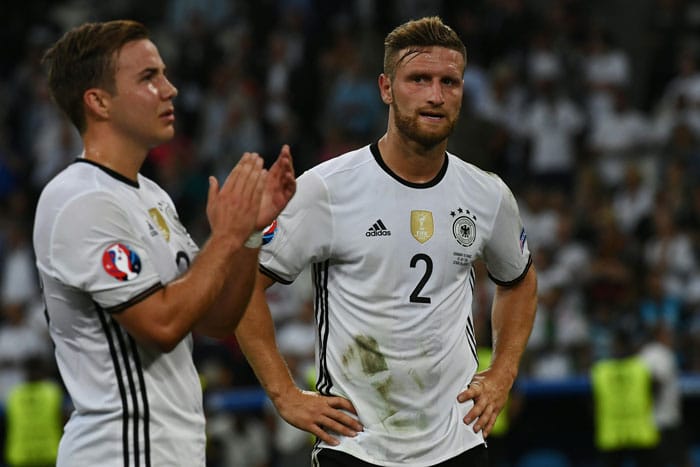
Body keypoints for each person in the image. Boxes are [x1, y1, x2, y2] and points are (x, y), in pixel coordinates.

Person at [236, 16, 538, 466]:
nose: (436, 95)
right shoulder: (327, 189)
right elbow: (243, 288)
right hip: (357, 446)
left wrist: (502, 373)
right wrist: (285, 395)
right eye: (419, 79)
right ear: (386, 88)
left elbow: (519, 281)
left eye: (449, 82)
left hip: (457, 443)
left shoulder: (487, 194)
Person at [32, 20, 295, 466]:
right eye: (148, 77)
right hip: (120, 453)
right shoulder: (79, 201)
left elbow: (214, 319)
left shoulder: (150, 196)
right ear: (98, 102)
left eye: (164, 74)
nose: (170, 89)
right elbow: (162, 325)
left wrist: (248, 234)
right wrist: (225, 236)